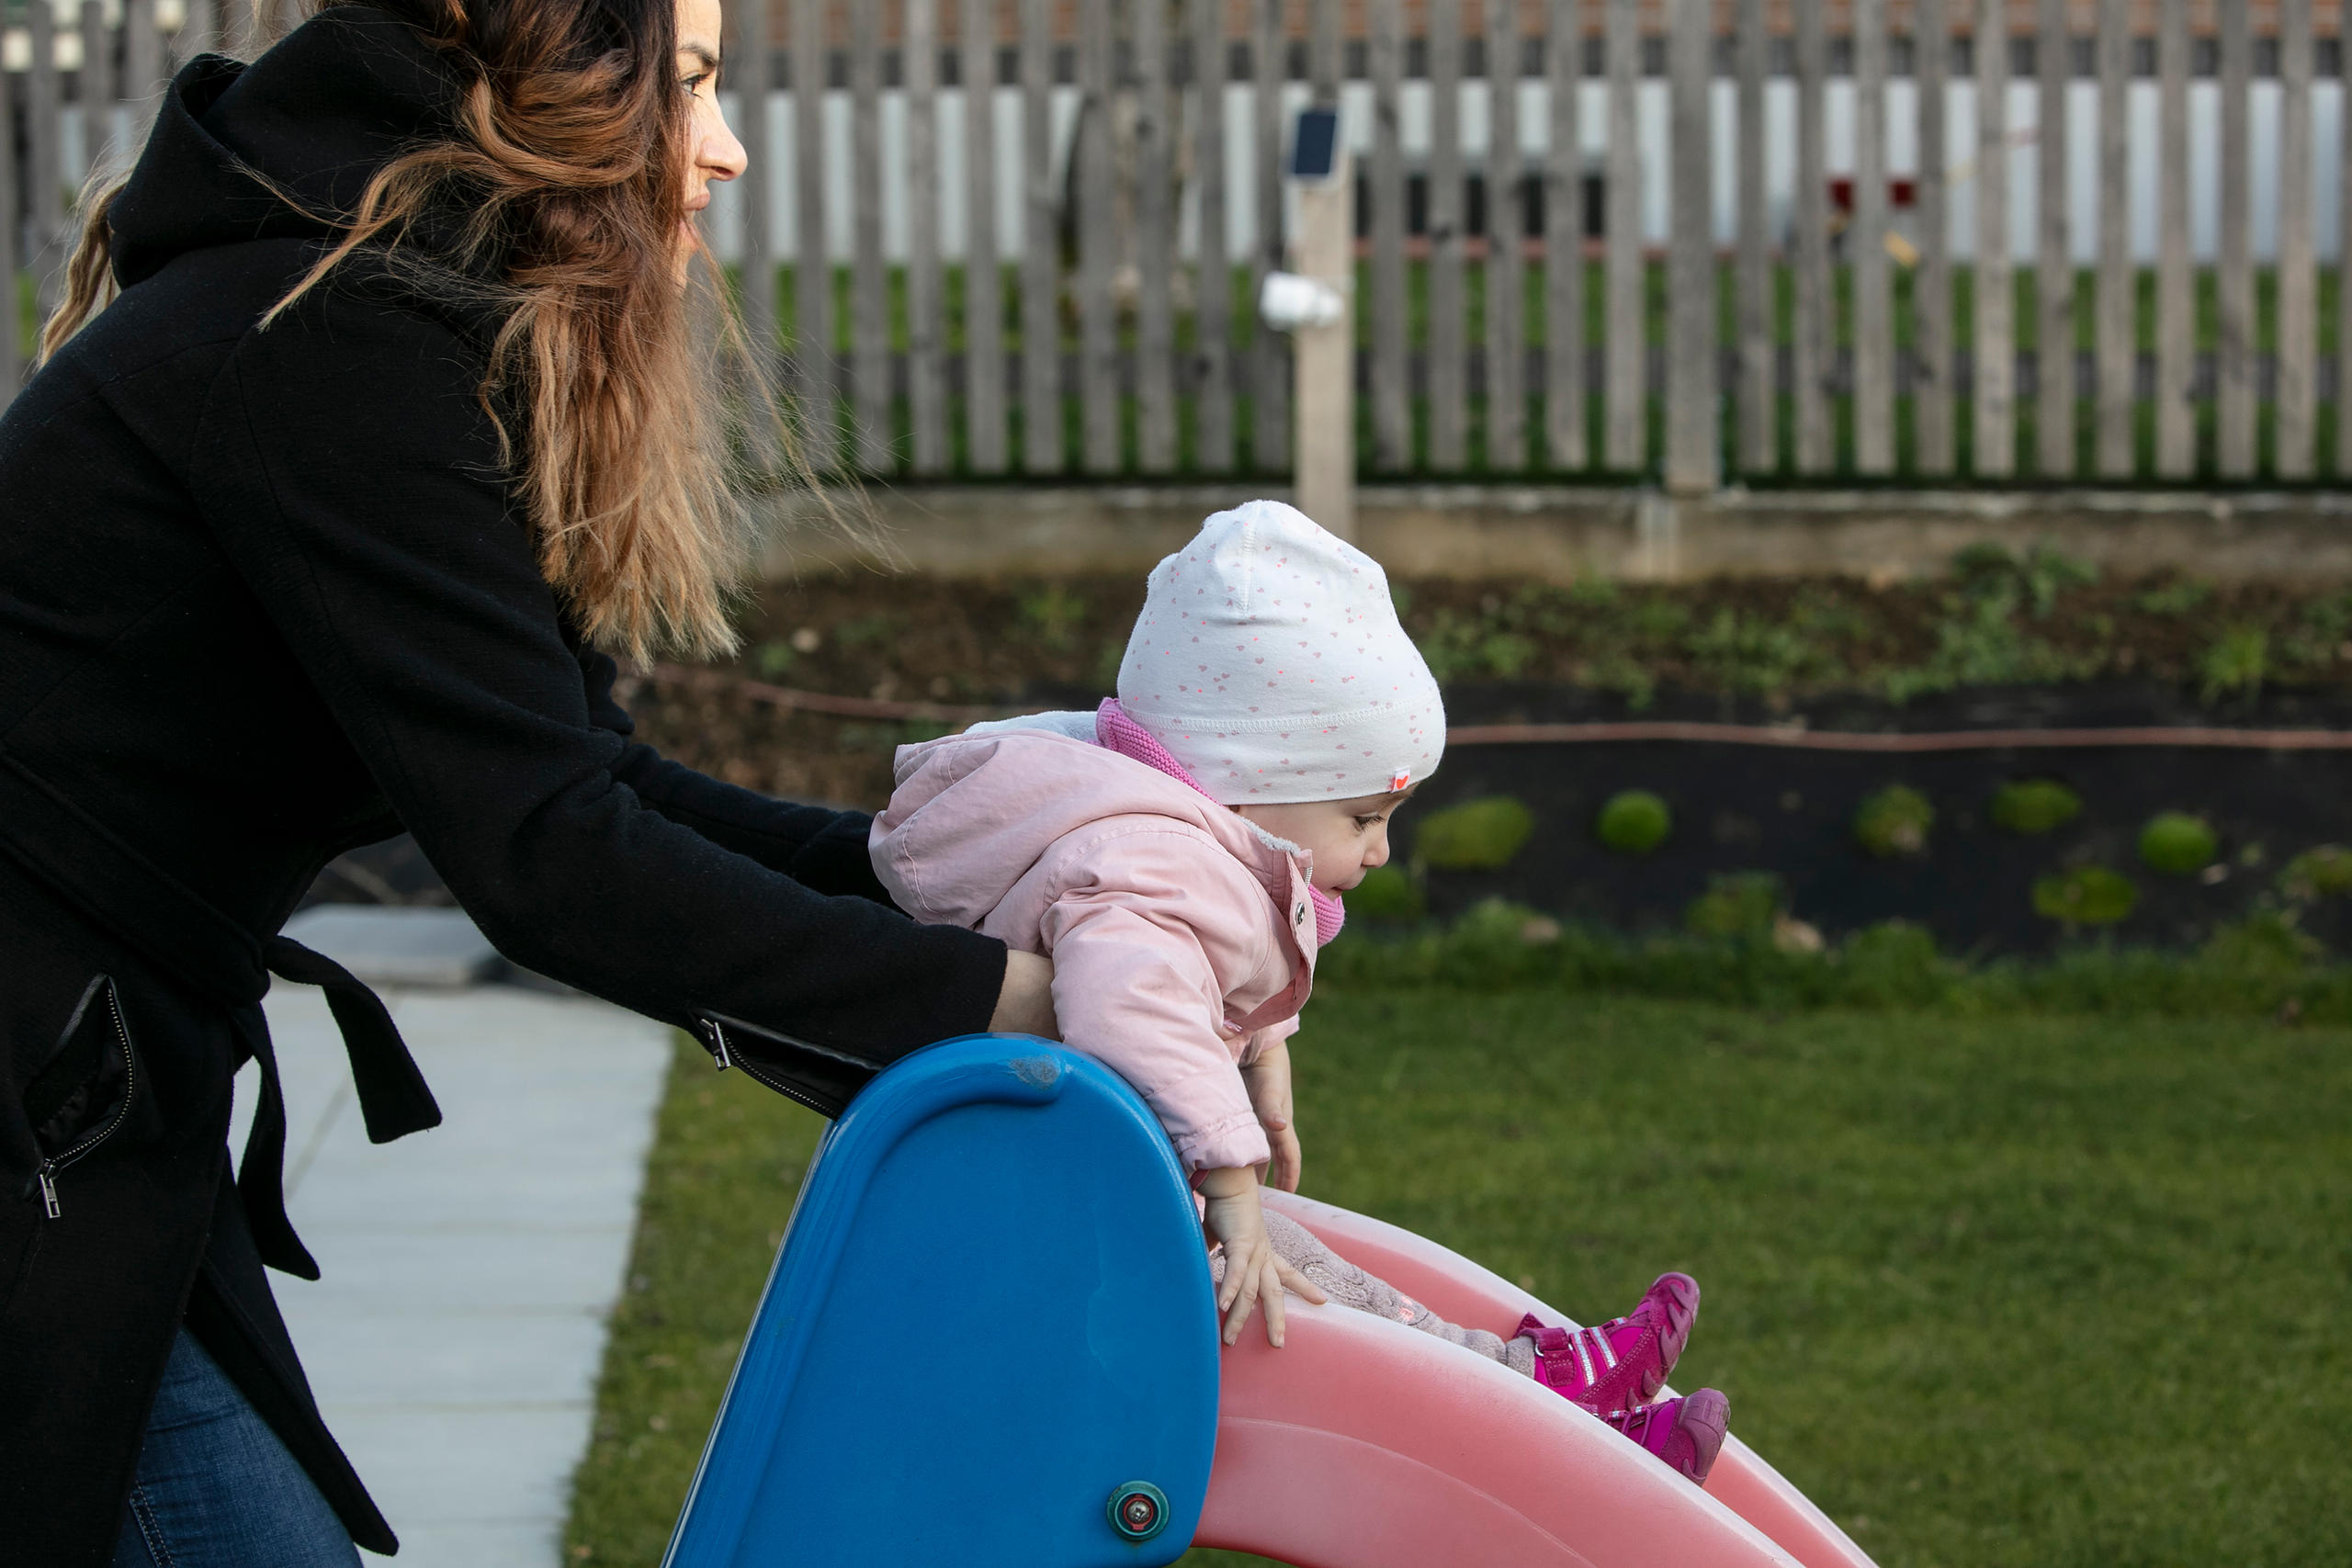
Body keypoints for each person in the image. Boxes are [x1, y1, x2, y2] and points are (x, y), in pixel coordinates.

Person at [0, 1, 1057, 1562]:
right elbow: (554, 856)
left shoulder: (364, 315)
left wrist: (975, 893)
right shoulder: (329, 337)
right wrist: (1012, 1007)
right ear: (564, 97)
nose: (726, 146)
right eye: (690, 85)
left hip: (88, 1084)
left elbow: (588, 782)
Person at [871, 500, 1733, 1483]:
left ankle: (1543, 1387)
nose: (1380, 849)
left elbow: (1188, 973)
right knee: (1299, 1311)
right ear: (1241, 785)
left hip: (1076, 1192)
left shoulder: (1164, 830)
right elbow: (1132, 1003)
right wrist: (1231, 1180)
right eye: (1364, 815)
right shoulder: (1158, 861)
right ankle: (1543, 1418)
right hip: (1067, 1239)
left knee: (1311, 1280)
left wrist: (1259, 1054)